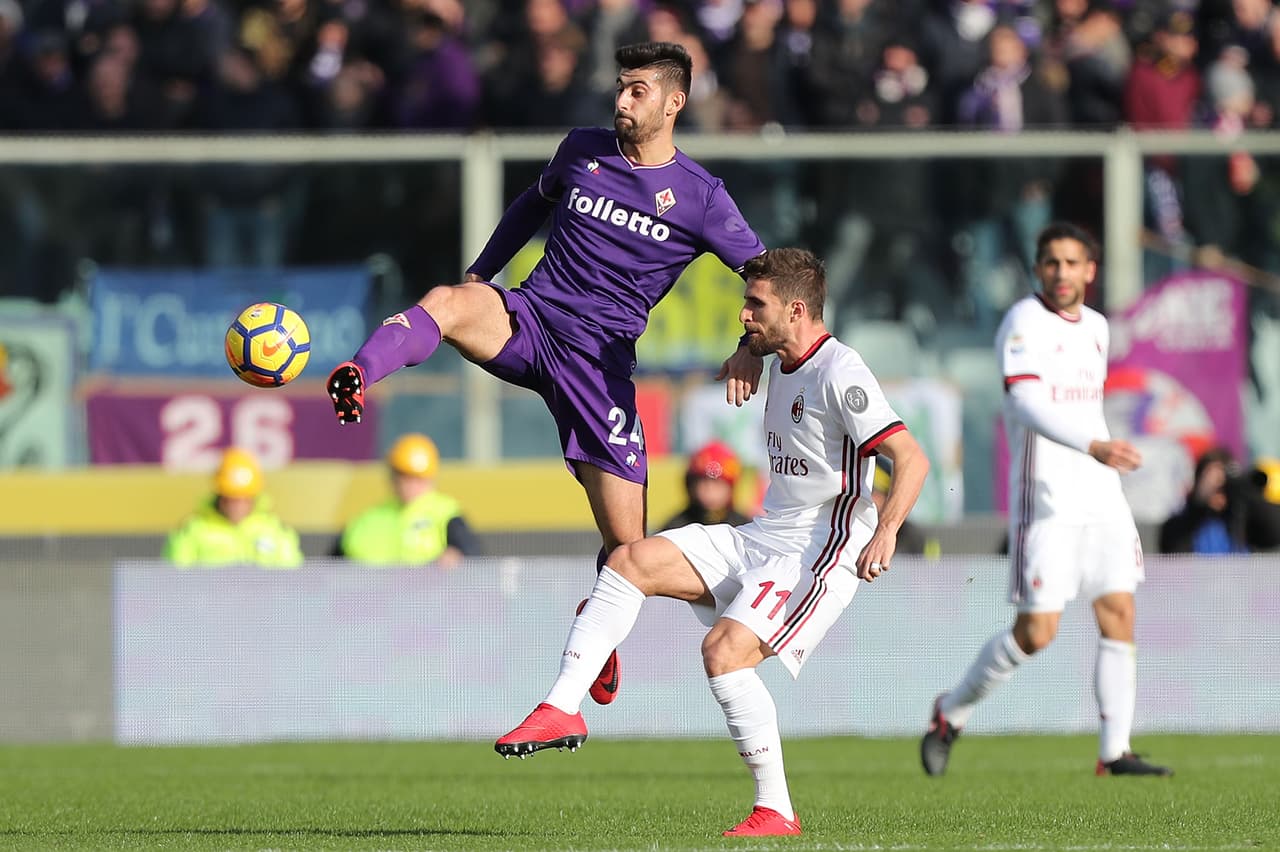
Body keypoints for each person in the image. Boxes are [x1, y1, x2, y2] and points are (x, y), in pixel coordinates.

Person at [326, 41, 767, 706]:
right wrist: (483, 273)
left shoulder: (702, 198)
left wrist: (748, 344)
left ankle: (600, 635)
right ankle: (360, 373)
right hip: (531, 322)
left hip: (600, 366)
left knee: (629, 551)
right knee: (447, 302)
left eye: (638, 91)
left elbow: (767, 272)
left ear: (674, 103)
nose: (622, 101)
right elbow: (533, 205)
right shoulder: (582, 150)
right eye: (620, 87)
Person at [494, 248, 931, 837]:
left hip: (819, 552)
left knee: (724, 653)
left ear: (797, 309)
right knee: (630, 560)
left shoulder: (841, 371)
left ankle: (775, 809)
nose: (745, 314)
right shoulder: (779, 354)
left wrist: (886, 530)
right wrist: (748, 352)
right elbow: (762, 343)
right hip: (762, 536)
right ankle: (562, 709)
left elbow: (911, 458)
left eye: (756, 305)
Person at [920, 222, 1173, 779]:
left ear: (1091, 270)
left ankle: (1114, 752)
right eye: (1051, 262)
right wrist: (1095, 444)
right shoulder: (1023, 322)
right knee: (1037, 632)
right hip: (1048, 498)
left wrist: (1099, 453)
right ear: (1039, 269)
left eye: (1072, 262)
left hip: (1101, 494)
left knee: (1119, 611)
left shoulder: (1099, 329)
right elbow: (1027, 402)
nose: (1061, 272)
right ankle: (951, 711)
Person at [334, 433, 480, 566]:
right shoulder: (367, 520)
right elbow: (331, 565)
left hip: (429, 593)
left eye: (418, 478)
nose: (411, 485)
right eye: (405, 477)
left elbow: (473, 557)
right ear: (393, 477)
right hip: (378, 594)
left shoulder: (446, 515)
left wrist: (456, 557)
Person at [164, 447, 303, 568]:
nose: (237, 506)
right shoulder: (192, 532)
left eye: (244, 499)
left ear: (253, 498)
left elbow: (294, 582)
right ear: (220, 496)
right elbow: (175, 584)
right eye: (231, 498)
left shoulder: (276, 531)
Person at [1158, 446, 1280, 554]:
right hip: (1198, 579)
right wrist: (1200, 502)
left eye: (1223, 485)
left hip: (1238, 579)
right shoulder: (1178, 524)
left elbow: (1274, 532)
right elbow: (1175, 551)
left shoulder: (1244, 518)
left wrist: (1243, 493)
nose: (1219, 489)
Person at [659, 439, 752, 531]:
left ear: (730, 488)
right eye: (704, 482)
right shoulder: (676, 528)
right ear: (691, 485)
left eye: (717, 483)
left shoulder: (743, 528)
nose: (710, 489)